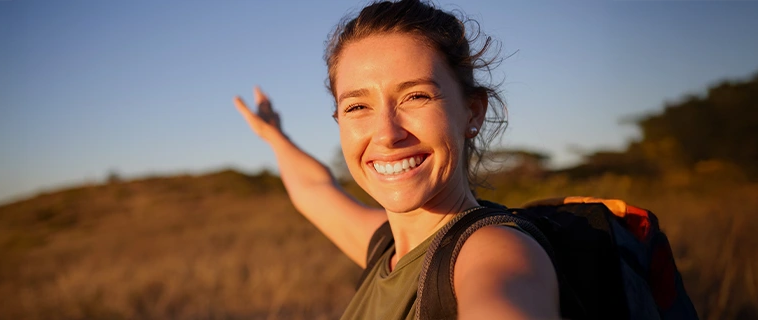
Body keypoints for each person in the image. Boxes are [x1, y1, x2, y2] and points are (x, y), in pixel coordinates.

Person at [233, 0, 558, 319]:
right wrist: (274, 135)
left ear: (472, 111)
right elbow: (314, 189)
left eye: (416, 96)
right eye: (357, 107)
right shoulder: (386, 247)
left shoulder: (494, 251)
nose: (387, 134)